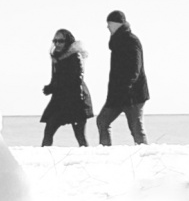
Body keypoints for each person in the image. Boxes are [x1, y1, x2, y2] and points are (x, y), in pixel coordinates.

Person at [97, 9, 150, 145]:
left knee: (136, 129)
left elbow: (135, 68)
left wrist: (127, 86)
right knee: (102, 121)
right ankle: (105, 151)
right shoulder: (116, 42)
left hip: (133, 94)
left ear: (116, 24)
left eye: (109, 23)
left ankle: (145, 153)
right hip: (117, 94)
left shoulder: (131, 41)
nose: (107, 27)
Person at [40, 28, 93, 146]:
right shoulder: (56, 57)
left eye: (61, 41)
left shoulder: (75, 56)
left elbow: (77, 79)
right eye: (55, 41)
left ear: (68, 42)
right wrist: (50, 87)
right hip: (60, 99)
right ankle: (44, 155)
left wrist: (55, 87)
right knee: (49, 129)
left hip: (76, 99)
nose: (57, 44)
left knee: (80, 135)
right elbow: (56, 78)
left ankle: (88, 156)